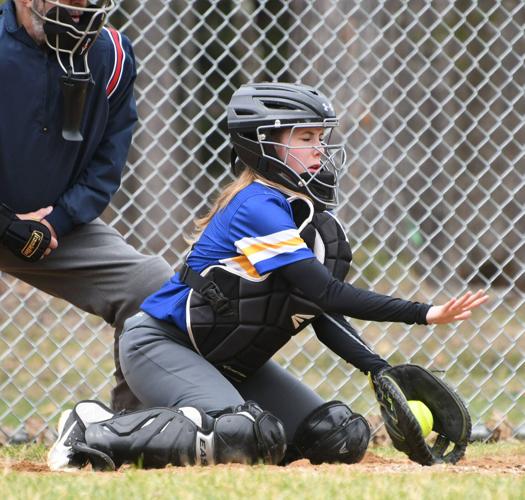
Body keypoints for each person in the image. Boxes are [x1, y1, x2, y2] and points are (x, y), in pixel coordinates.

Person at [47, 82, 488, 471]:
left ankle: (187, 421)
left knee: (337, 436)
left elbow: (317, 311)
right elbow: (327, 293)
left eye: (321, 137)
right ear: (266, 145)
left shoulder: (311, 222)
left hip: (227, 363)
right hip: (162, 345)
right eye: (305, 138)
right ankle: (92, 430)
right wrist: (423, 313)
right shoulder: (256, 206)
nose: (320, 148)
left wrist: (381, 371)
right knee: (242, 433)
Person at [0, 0, 172, 412]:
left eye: (88, 2)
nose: (80, 12)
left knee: (151, 285)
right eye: (69, 1)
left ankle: (133, 430)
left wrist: (57, 221)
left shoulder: (111, 55)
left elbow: (106, 164)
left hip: (51, 228)